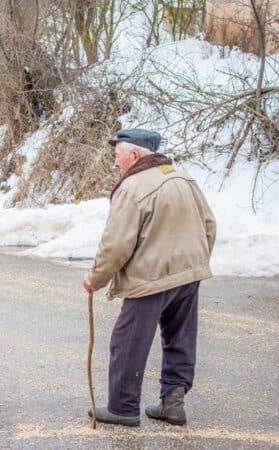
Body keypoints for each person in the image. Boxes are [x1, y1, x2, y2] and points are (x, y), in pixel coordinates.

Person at [83, 128, 216, 427]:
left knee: (127, 341)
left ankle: (122, 408)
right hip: (188, 273)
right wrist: (195, 261)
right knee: (179, 337)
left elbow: (116, 244)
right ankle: (173, 403)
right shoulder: (183, 177)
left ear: (133, 155)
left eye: (117, 156)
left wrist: (96, 278)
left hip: (152, 277)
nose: (115, 164)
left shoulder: (132, 187)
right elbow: (209, 224)